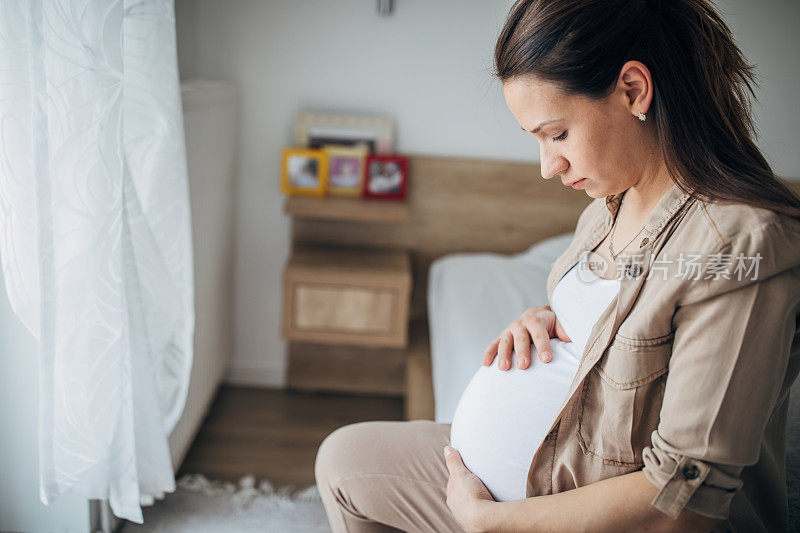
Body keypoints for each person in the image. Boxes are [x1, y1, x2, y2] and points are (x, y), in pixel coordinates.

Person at [314, 0, 800, 531]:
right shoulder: (607, 207)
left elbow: (684, 500)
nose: (549, 167)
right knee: (344, 459)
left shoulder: (737, 247)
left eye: (558, 134)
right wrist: (544, 315)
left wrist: (495, 523)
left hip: (590, 513)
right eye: (538, 140)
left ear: (633, 89)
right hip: (545, 467)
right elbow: (618, 323)